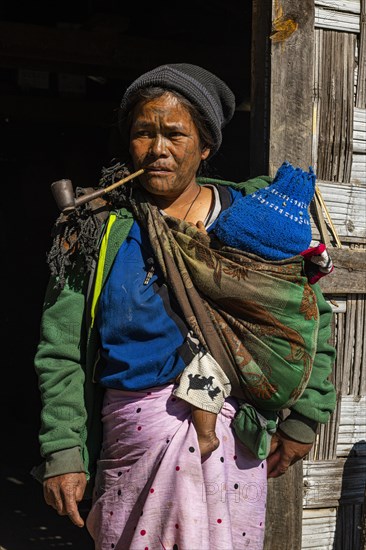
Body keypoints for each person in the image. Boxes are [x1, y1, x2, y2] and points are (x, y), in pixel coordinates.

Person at [33, 63, 336, 550]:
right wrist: (64, 449)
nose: (157, 150)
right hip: (133, 440)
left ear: (206, 146)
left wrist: (305, 417)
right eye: (142, 134)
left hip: (232, 438)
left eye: (174, 134)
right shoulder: (96, 231)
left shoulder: (254, 222)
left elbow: (307, 320)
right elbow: (61, 351)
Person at [173, 161, 335, 458]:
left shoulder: (277, 271)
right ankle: (260, 428)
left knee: (204, 368)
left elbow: (216, 272)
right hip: (283, 382)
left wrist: (199, 243)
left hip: (277, 376)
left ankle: (206, 434)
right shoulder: (288, 261)